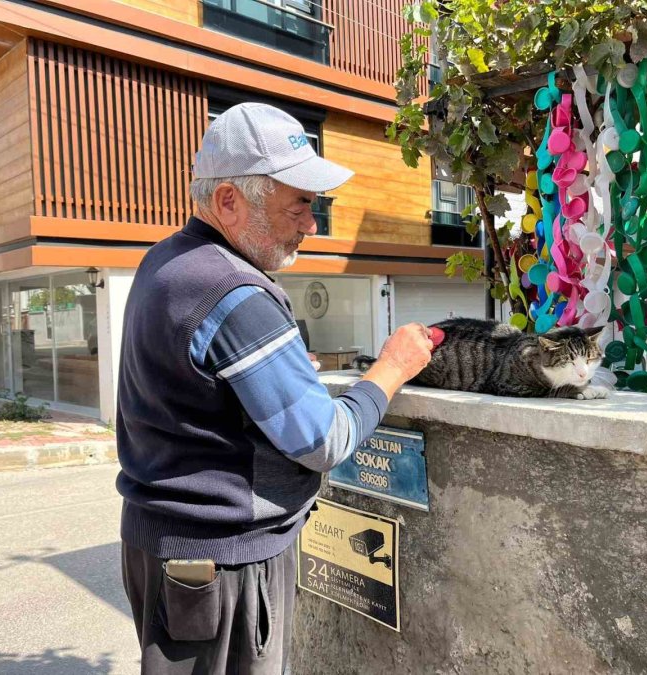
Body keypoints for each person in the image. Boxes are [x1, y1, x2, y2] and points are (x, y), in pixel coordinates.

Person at [116, 102, 433, 674]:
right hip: (221, 565)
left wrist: (274, 371)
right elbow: (325, 440)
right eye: (300, 206)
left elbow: (193, 385)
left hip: (160, 547)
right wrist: (391, 366)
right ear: (229, 201)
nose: (311, 225)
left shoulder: (166, 261)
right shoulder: (236, 290)